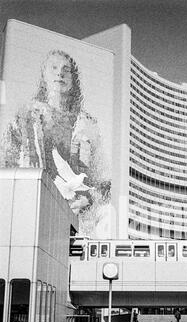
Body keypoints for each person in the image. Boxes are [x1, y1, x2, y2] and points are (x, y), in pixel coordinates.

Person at [0, 49, 111, 234]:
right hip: (31, 209)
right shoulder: (27, 115)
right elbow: (5, 164)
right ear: (44, 74)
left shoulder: (88, 124)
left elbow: (101, 179)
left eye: (66, 69)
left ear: (73, 78)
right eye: (54, 68)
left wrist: (86, 199)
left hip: (77, 220)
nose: (60, 73)